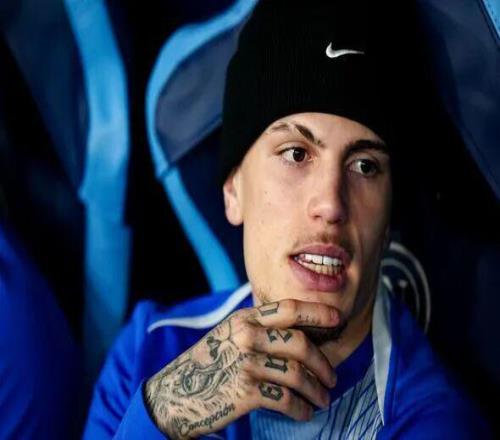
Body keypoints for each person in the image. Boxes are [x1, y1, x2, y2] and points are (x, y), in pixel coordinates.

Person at [83, 1, 490, 438]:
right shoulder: (149, 352)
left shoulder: (434, 423)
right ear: (233, 190)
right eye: (296, 154)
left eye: (365, 166)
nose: (330, 205)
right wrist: (165, 413)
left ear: (388, 216)